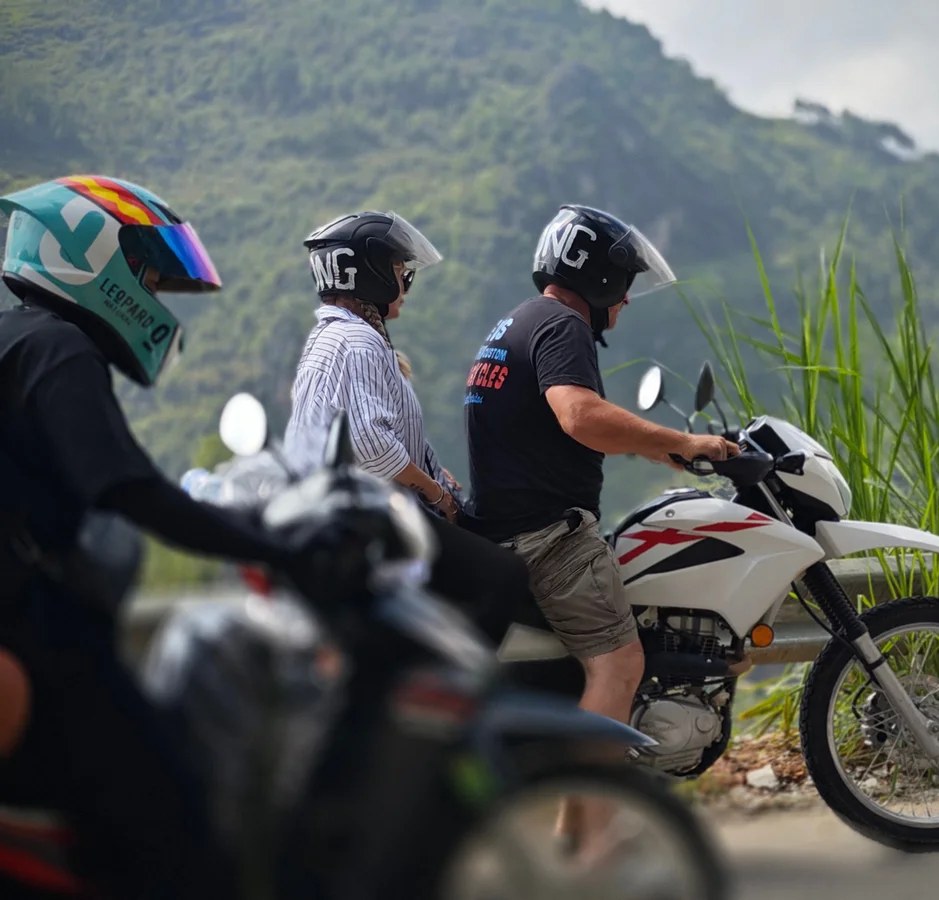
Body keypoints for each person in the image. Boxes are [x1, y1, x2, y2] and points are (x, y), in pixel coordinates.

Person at [0, 175, 316, 899]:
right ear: (91, 259)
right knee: (175, 825)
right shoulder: (60, 350)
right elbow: (130, 490)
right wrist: (274, 543)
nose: (152, 292)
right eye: (144, 270)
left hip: (24, 617)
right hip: (39, 634)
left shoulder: (16, 337)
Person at [462, 203, 739, 853]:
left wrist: (665, 449)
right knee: (619, 662)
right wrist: (680, 436)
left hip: (506, 528)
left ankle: (575, 824)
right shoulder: (564, 326)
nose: (628, 300)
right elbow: (580, 417)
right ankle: (588, 840)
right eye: (625, 282)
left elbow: (557, 430)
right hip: (549, 540)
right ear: (599, 278)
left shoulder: (518, 321)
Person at [283, 210, 537, 647]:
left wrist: (438, 477)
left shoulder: (331, 336)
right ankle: (458, 694)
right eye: (399, 271)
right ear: (369, 276)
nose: (405, 284)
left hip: (333, 510)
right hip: (367, 516)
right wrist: (436, 494)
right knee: (504, 576)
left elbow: (386, 432)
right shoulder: (359, 341)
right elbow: (372, 444)